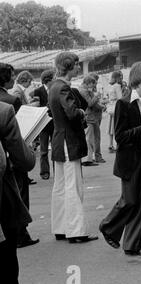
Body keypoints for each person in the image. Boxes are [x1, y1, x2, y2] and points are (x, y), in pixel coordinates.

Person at [99, 62, 141, 256]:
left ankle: (133, 244)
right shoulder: (123, 103)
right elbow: (120, 136)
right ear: (140, 78)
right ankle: (108, 226)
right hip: (131, 160)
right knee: (130, 199)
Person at [49, 52, 98, 244]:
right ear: (69, 66)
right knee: (73, 185)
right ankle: (76, 231)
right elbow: (71, 112)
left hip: (59, 139)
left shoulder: (53, 86)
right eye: (77, 65)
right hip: (69, 140)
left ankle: (60, 227)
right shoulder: (63, 88)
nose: (78, 68)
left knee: (60, 186)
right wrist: (79, 111)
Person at [0, 101, 36, 284]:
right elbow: (25, 160)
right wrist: (28, 149)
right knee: (6, 274)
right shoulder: (4, 112)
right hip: (3, 206)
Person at [31, 69, 55, 180]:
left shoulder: (55, 90)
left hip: (55, 124)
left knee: (56, 149)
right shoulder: (38, 91)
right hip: (43, 125)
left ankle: (57, 171)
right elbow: (35, 108)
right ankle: (44, 172)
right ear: (48, 80)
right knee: (44, 150)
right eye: (54, 78)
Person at [79, 75, 105, 166]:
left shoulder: (84, 90)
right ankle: (89, 159)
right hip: (90, 117)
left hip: (91, 117)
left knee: (92, 138)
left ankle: (91, 158)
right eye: (93, 84)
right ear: (89, 83)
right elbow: (90, 103)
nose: (94, 86)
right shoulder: (84, 91)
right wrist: (97, 96)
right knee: (91, 139)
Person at [106, 71, 123, 153]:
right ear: (118, 77)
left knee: (110, 127)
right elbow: (120, 98)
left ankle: (110, 144)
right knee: (116, 126)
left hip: (110, 106)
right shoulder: (117, 86)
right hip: (116, 107)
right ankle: (117, 144)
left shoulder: (110, 86)